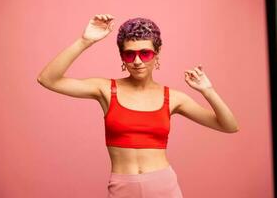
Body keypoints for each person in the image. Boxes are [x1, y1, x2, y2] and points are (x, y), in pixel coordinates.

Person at [37, 14, 239, 198]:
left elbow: (229, 126)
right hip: (122, 188)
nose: (137, 61)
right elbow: (48, 79)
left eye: (145, 53)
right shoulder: (106, 89)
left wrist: (208, 90)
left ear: (157, 54)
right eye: (129, 54)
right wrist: (85, 41)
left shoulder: (173, 97)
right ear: (122, 58)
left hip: (164, 187)